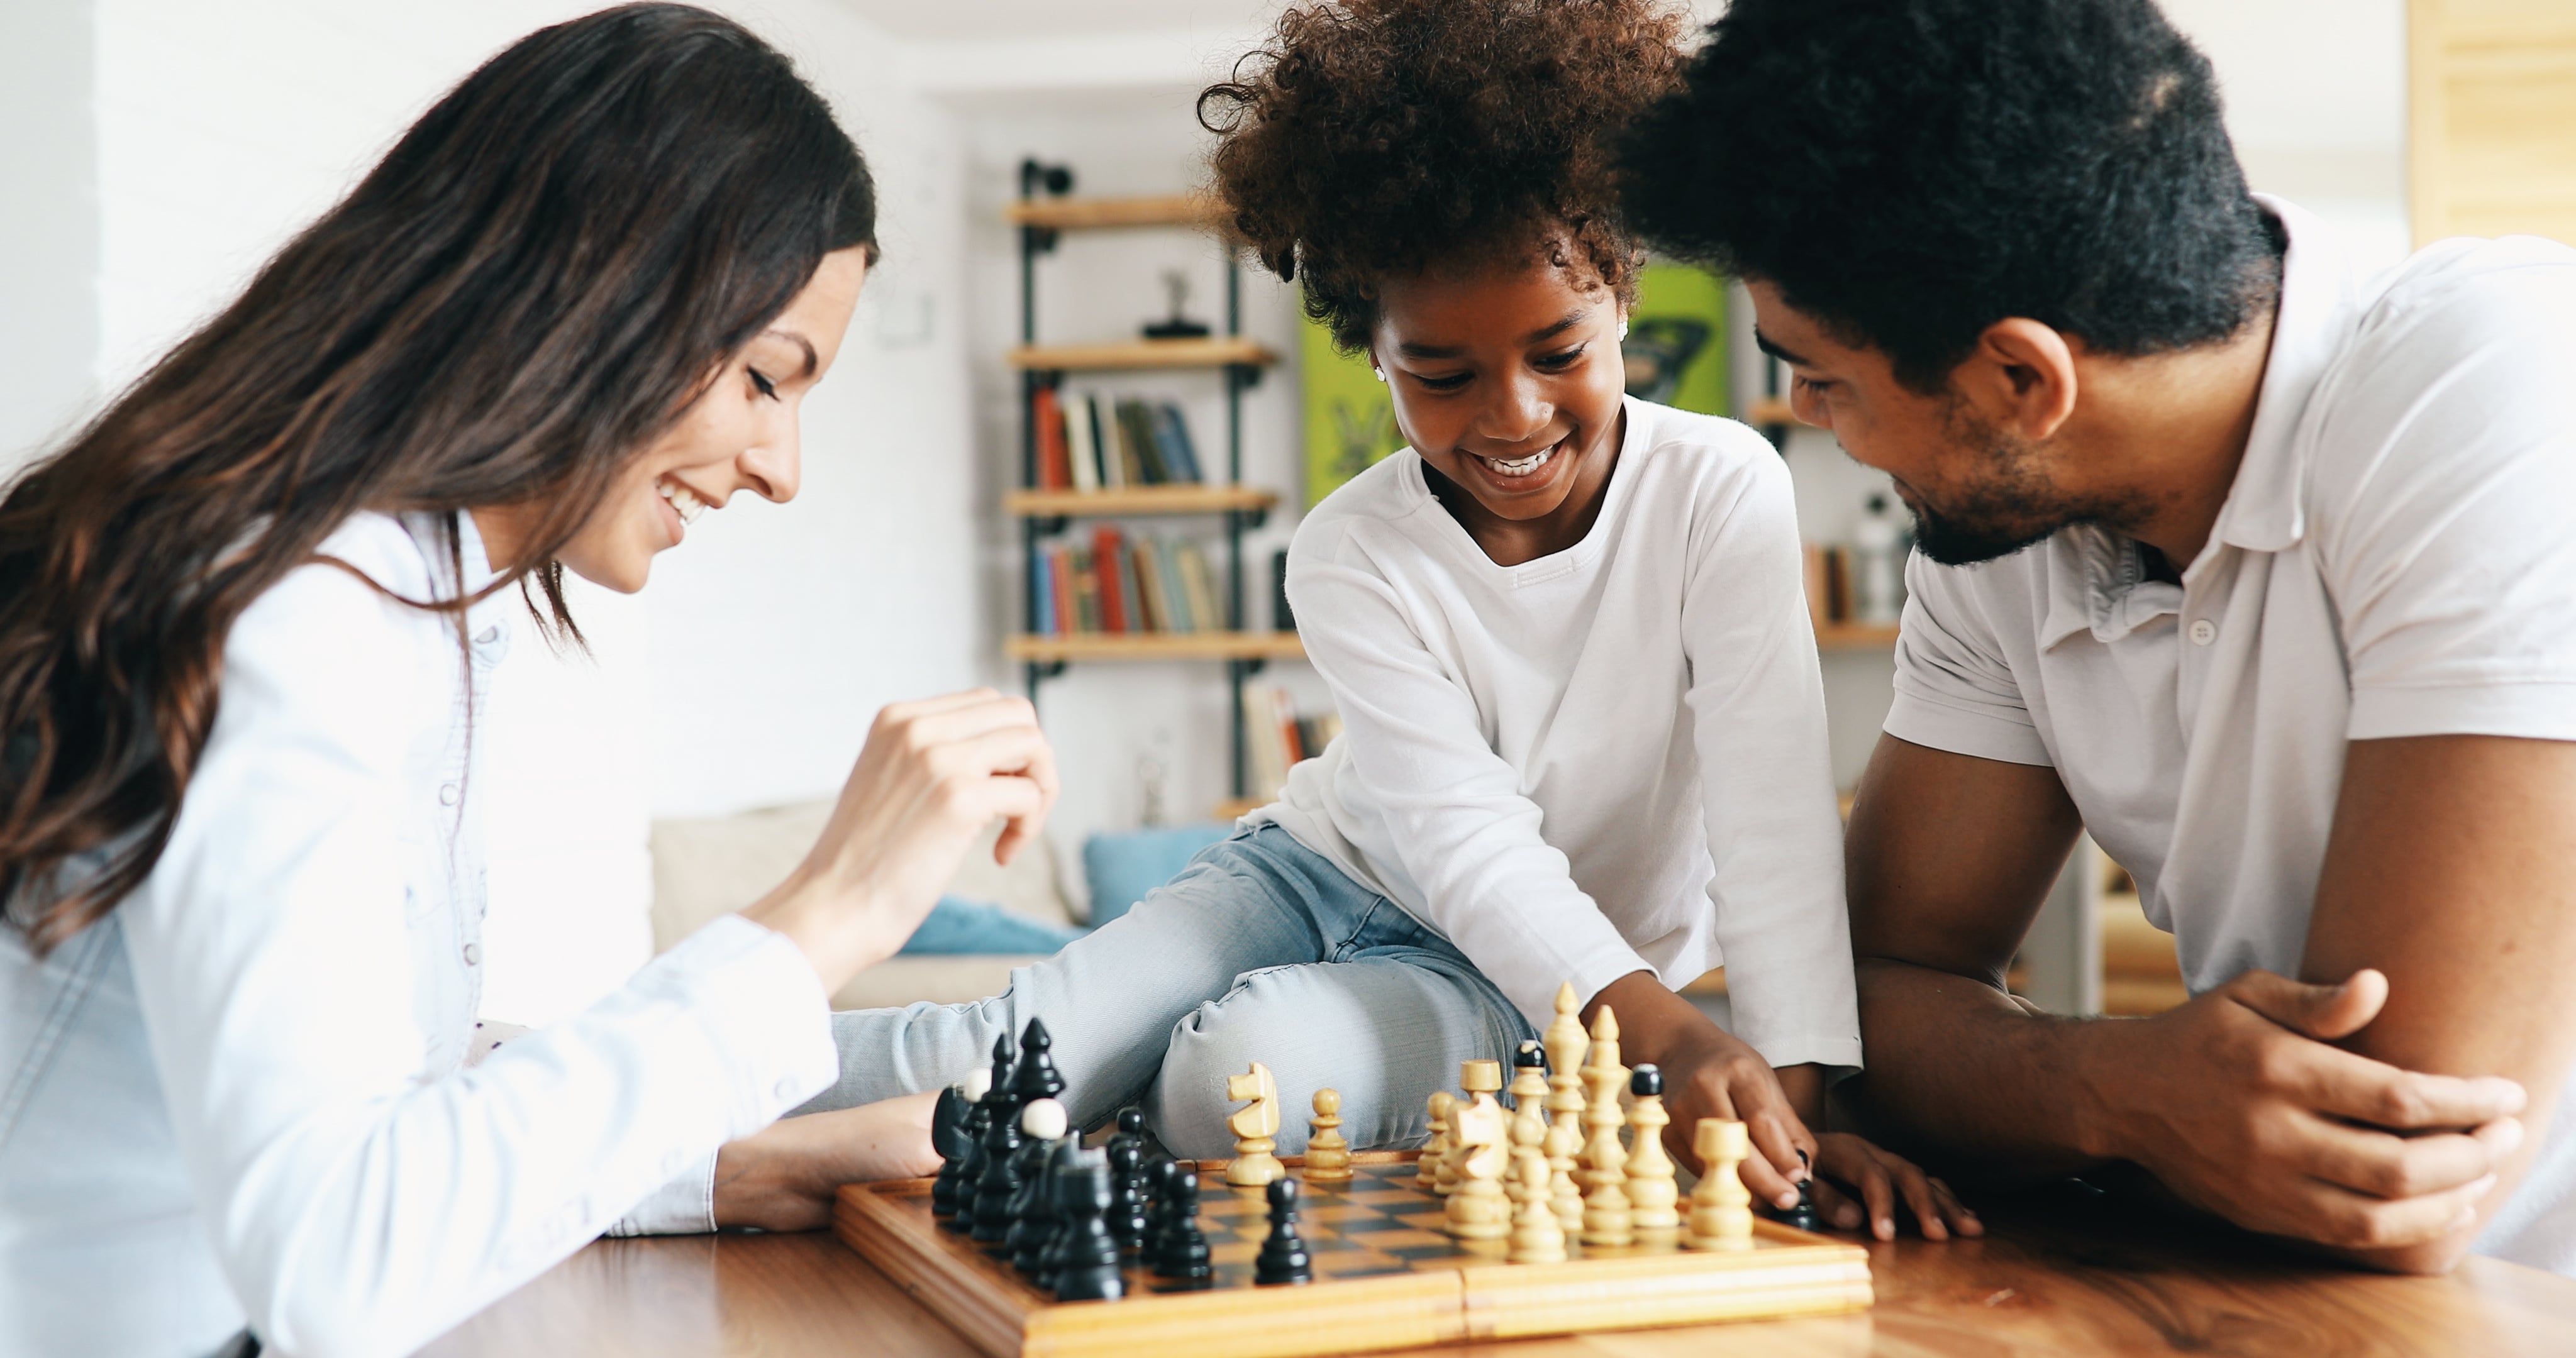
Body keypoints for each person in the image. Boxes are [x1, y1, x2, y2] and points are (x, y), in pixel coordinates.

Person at [790, 0, 1977, 1245]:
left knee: (1226, 1078)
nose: (1511, 415)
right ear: (1373, 350)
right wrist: (1669, 1034)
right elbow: (1464, 839)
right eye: (1441, 374)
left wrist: (1788, 1115)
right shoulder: (1348, 550)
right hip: (1304, 877)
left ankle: (1065, 1132)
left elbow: (1770, 818)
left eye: (1557, 348)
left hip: (1535, 982)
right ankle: (628, 1074)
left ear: (1621, 295)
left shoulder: (1720, 490)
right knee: (996, 1048)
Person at [0, 8, 1053, 1356]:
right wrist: (831, 907)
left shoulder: (403, 597)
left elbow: (385, 1098)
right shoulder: (288, 612)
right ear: (603, 298)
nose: (781, 466)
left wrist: (737, 1169)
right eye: (762, 379)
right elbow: (341, 1259)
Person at [1619, 0, 2576, 1275]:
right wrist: (2117, 1089)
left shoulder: (2492, 383)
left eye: (1821, 375)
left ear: (2020, 382)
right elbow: (1849, 1025)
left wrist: (2027, 1089)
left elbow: (2389, 1168)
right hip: (2259, 1299)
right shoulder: (2001, 526)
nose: (1803, 418)